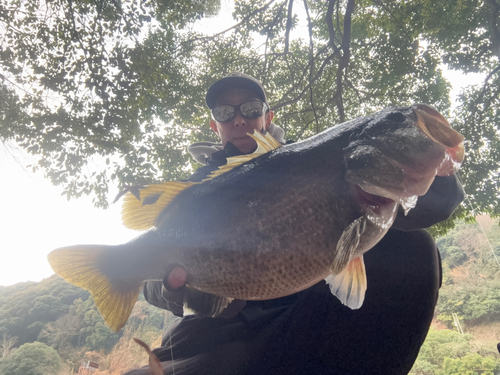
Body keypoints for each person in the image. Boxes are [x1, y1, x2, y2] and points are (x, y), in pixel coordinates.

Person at [126, 72, 464, 375]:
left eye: (251, 108)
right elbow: (150, 282)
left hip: (303, 315)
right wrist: (173, 289)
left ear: (268, 117)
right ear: (215, 125)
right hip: (215, 334)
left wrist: (432, 161)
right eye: (225, 113)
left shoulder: (318, 161)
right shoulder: (190, 194)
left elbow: (435, 207)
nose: (240, 120)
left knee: (416, 248)